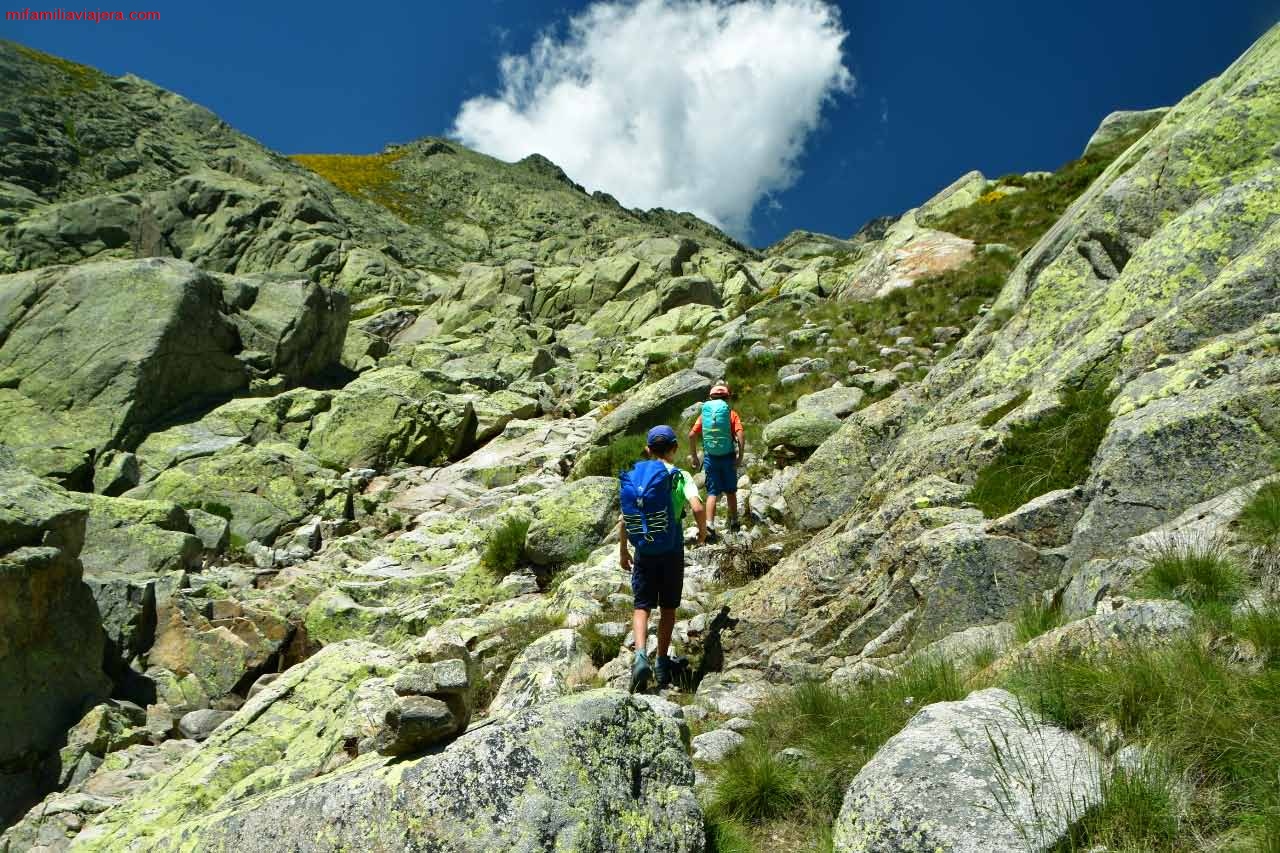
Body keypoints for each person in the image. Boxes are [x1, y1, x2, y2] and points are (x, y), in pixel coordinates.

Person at [618, 425, 706, 693]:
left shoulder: (636, 478)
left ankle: (641, 654)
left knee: (641, 605)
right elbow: (698, 508)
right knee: (668, 608)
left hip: (644, 549)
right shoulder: (680, 476)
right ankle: (661, 663)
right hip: (671, 549)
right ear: (674, 448)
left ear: (647, 449)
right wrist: (702, 533)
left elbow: (625, 519)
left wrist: (624, 550)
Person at [689, 383, 744, 539]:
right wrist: (740, 456)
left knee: (712, 492)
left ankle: (710, 525)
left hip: (711, 457)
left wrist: (694, 456)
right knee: (731, 491)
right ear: (727, 398)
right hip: (728, 457)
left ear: (710, 398)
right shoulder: (731, 414)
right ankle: (734, 521)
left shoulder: (704, 415)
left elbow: (691, 435)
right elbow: (740, 434)